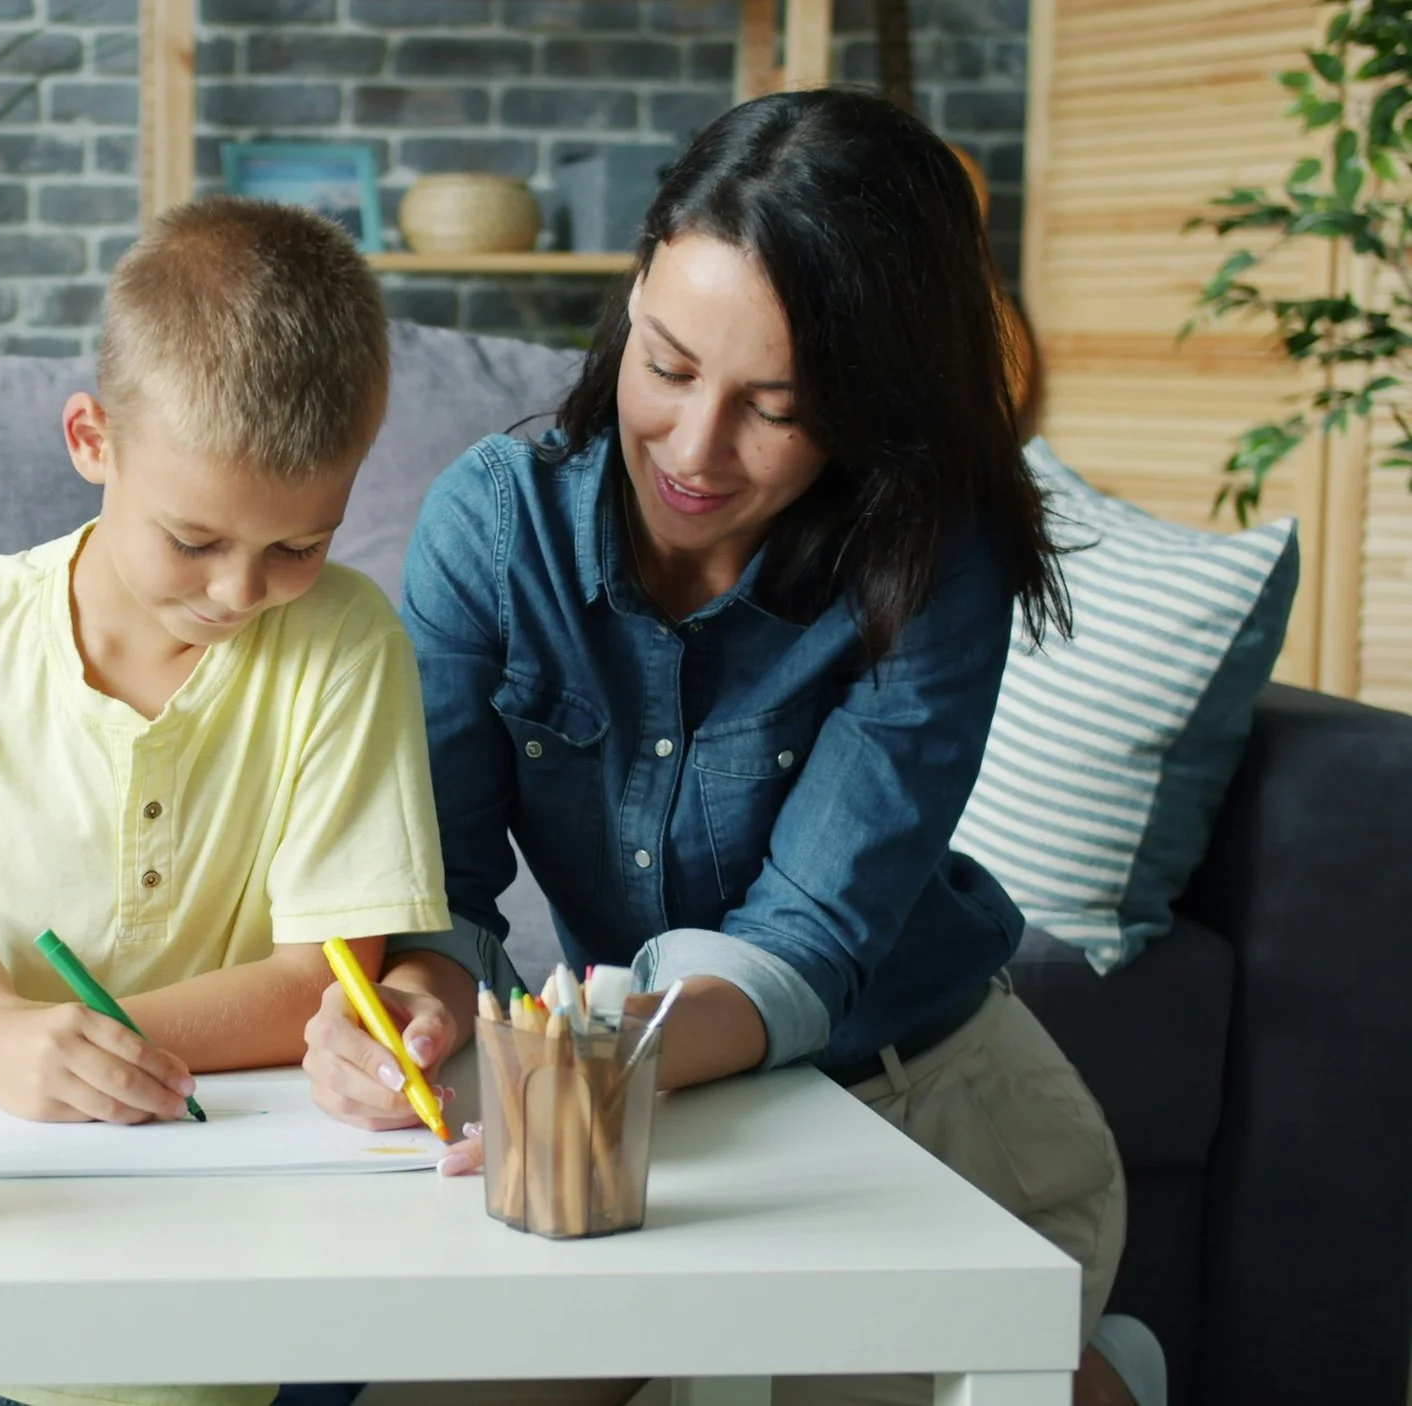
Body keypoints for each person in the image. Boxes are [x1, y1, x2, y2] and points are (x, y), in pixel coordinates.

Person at [302, 89, 1165, 1406]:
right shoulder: (496, 519)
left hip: (922, 1105)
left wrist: (574, 1062)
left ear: (876, 401)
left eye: (775, 404)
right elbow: (443, 891)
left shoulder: (933, 552)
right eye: (667, 365)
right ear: (634, 293)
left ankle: (1096, 1378)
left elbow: (803, 940)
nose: (694, 451)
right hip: (638, 1094)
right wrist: (423, 1004)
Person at [0, 195, 448, 1406]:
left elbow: (319, 982)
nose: (243, 591)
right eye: (192, 539)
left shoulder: (346, 644)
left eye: (299, 545)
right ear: (92, 438)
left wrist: (50, 1042)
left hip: (217, 1251)